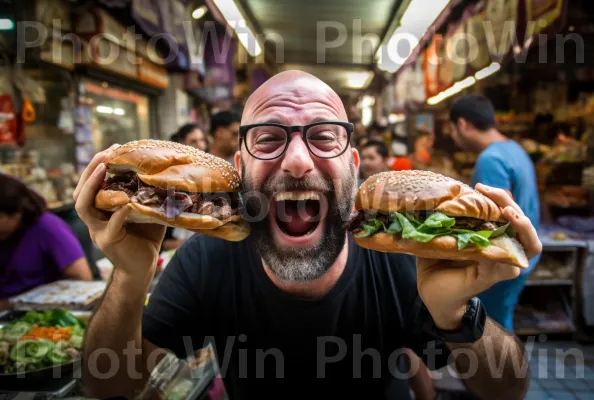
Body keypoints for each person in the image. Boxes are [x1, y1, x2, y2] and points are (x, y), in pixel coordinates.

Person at [75, 71, 540, 400]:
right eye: (269, 138)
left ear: (353, 169)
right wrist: (129, 276)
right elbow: (110, 385)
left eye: (323, 137)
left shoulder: (406, 258)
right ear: (239, 171)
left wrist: (455, 313)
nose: (297, 161)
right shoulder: (207, 259)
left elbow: (508, 389)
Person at [449, 95, 541, 332]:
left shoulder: (490, 159)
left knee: (490, 327)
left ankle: (501, 368)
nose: (453, 137)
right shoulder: (514, 149)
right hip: (521, 252)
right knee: (500, 319)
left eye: (452, 130)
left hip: (503, 256)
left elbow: (491, 218)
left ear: (462, 124)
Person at [0, 174, 92, 307]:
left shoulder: (47, 227)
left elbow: (82, 278)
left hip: (36, 312)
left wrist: (12, 304)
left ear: (16, 214)